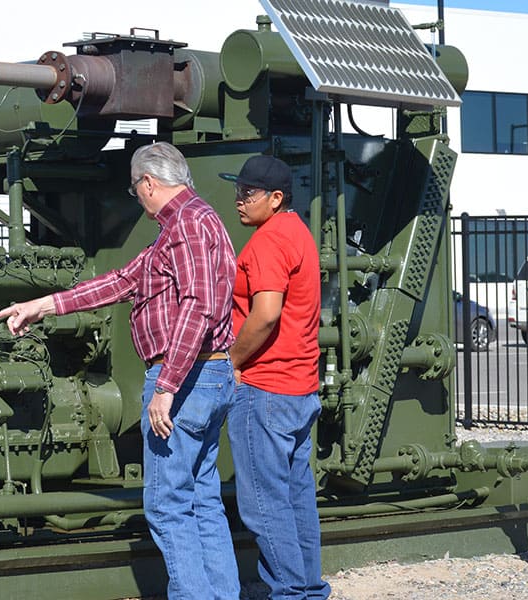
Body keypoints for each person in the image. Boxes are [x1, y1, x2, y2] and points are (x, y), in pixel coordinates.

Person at [0, 142, 240, 600]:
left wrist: (167, 385)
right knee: (202, 500)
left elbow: (199, 308)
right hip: (212, 375)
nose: (138, 199)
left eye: (136, 190)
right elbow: (121, 282)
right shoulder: (193, 224)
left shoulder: (185, 226)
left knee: (167, 505)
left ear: (148, 183)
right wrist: (40, 306)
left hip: (184, 380)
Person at [219, 155, 330, 599]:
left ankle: (289, 593)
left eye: (248, 194)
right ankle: (307, 589)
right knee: (296, 497)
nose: (238, 201)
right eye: (238, 190)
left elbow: (266, 314)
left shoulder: (267, 242)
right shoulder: (298, 232)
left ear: (276, 198)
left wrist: (233, 360)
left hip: (265, 388)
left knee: (263, 505)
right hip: (300, 388)